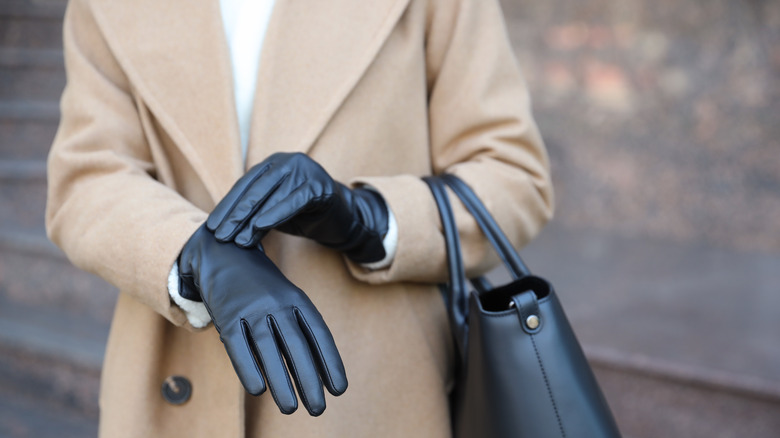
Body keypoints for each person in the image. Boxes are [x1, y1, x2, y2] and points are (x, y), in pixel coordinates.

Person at [45, 0, 554, 436]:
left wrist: (369, 218)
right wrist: (189, 253)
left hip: (370, 390)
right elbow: (88, 176)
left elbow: (513, 175)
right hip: (174, 387)